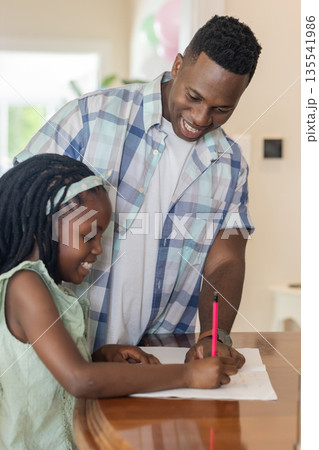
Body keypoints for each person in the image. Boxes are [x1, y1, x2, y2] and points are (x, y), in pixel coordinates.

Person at [15, 16, 262, 364]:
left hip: (154, 360)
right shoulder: (91, 118)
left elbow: (226, 258)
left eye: (222, 109)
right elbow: (16, 205)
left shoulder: (230, 163)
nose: (202, 117)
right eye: (194, 96)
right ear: (177, 65)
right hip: (59, 351)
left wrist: (214, 334)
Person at [0, 153, 237, 449]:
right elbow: (78, 380)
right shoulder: (26, 285)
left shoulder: (51, 287)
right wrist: (188, 375)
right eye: (89, 235)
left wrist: (101, 356)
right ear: (44, 227)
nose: (98, 249)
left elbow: (51, 372)